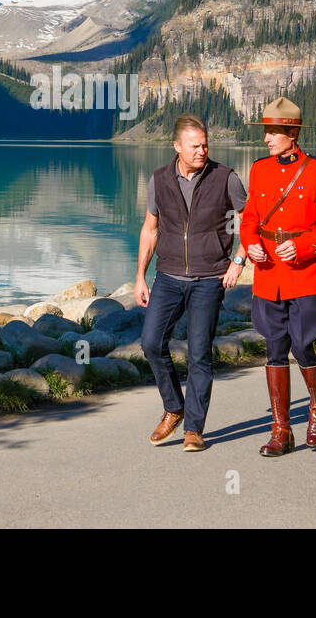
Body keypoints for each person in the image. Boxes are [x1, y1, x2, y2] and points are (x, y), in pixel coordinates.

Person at [237, 97, 316, 456]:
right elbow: (251, 217)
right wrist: (251, 245)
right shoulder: (259, 170)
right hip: (269, 274)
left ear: (291, 132)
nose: (267, 138)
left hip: (305, 274)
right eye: (266, 131)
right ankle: (281, 430)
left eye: (272, 132)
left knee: (302, 344)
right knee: (274, 348)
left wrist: (302, 247)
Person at [136, 114, 247, 452]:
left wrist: (238, 262)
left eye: (205, 144)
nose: (202, 150)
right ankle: (174, 408)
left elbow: (253, 220)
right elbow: (150, 229)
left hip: (208, 279)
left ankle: (194, 429)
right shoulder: (158, 179)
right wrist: (140, 275)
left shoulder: (225, 178)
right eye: (195, 145)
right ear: (177, 147)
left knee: (199, 354)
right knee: (151, 343)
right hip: (167, 276)